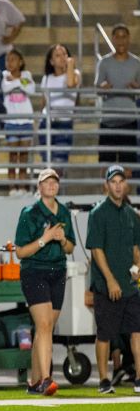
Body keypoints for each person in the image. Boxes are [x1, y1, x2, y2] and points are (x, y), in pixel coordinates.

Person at [13, 168, 75, 396]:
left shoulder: (64, 212)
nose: (51, 185)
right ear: (39, 187)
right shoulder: (29, 213)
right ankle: (47, 378)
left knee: (45, 328)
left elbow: (70, 248)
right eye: (46, 182)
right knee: (45, 325)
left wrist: (61, 240)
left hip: (57, 272)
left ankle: (34, 381)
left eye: (54, 181)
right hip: (35, 272)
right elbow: (20, 252)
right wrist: (45, 239)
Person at [85, 165, 140, 395]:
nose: (117, 185)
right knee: (105, 333)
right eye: (113, 181)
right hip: (106, 287)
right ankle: (104, 380)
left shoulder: (131, 214)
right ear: (106, 185)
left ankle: (139, 377)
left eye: (121, 181)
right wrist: (110, 280)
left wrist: (137, 268)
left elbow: (136, 247)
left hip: (130, 285)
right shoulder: (98, 213)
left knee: (137, 331)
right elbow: (96, 250)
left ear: (125, 185)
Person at [94, 23, 140, 167]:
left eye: (124, 37)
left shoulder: (137, 63)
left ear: (129, 39)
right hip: (108, 121)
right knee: (106, 166)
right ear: (113, 39)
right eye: (117, 37)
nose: (121, 40)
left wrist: (137, 87)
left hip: (129, 121)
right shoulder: (104, 63)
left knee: (128, 168)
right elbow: (97, 88)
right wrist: (102, 87)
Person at [1, 49, 36, 196]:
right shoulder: (3, 75)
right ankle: (12, 188)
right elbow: (5, 88)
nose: (10, 62)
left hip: (26, 120)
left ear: (20, 62)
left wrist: (15, 82)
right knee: (13, 156)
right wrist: (19, 83)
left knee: (23, 156)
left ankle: (22, 186)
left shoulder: (27, 75)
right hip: (11, 121)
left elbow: (31, 89)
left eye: (13, 59)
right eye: (8, 60)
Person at [40, 43, 80, 169]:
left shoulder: (75, 74)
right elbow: (44, 102)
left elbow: (70, 84)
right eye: (58, 55)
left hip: (64, 123)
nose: (62, 57)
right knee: (48, 163)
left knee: (59, 163)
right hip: (47, 123)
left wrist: (70, 65)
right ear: (51, 61)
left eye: (65, 54)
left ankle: (56, 188)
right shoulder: (46, 78)